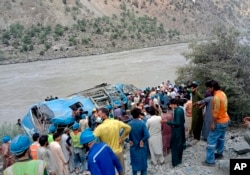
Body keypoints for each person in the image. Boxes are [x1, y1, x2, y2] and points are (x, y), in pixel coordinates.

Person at [94, 107, 131, 175]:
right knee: (122, 171)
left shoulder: (99, 128)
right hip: (118, 151)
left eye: (99, 115)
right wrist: (122, 138)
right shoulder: (116, 122)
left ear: (103, 115)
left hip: (107, 154)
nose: (97, 117)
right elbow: (128, 128)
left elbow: (93, 139)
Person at [202, 80, 230, 166]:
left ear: (212, 88)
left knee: (211, 140)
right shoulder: (223, 93)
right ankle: (219, 153)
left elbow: (215, 112)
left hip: (219, 121)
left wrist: (213, 123)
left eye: (208, 88)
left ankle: (210, 161)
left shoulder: (216, 97)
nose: (207, 90)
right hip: (226, 119)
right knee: (221, 138)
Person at [162, 99, 185, 167]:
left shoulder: (177, 111)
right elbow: (182, 120)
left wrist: (167, 122)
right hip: (181, 129)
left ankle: (175, 162)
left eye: (170, 104)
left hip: (177, 130)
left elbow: (177, 123)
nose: (170, 106)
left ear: (174, 104)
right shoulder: (181, 109)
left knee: (174, 146)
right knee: (180, 145)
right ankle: (179, 160)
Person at [128, 108, 150, 175]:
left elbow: (122, 135)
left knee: (134, 165)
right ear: (139, 115)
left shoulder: (129, 124)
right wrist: (142, 140)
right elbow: (147, 135)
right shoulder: (142, 123)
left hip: (133, 147)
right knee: (143, 166)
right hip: (142, 147)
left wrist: (128, 140)